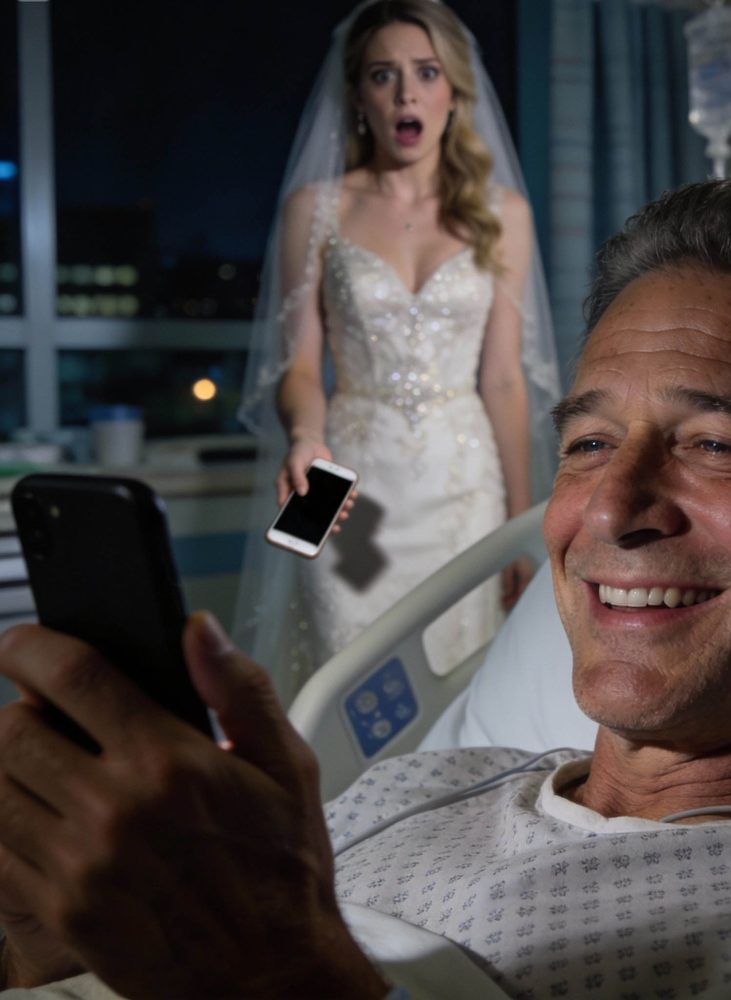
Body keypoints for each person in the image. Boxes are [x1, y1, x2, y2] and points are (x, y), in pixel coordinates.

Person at [1, 179, 731, 999]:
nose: (610, 509)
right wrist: (57, 941)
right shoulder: (415, 785)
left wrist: (271, 975)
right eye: (589, 443)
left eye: (717, 444)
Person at [233, 0, 561, 704]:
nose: (406, 93)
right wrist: (306, 437)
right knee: (354, 693)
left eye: (426, 72)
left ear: (454, 93)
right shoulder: (315, 209)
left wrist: (521, 529)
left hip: (466, 493)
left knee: (457, 689)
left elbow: (504, 380)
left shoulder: (504, 214)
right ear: (358, 97)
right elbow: (300, 367)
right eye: (383, 75)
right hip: (351, 492)